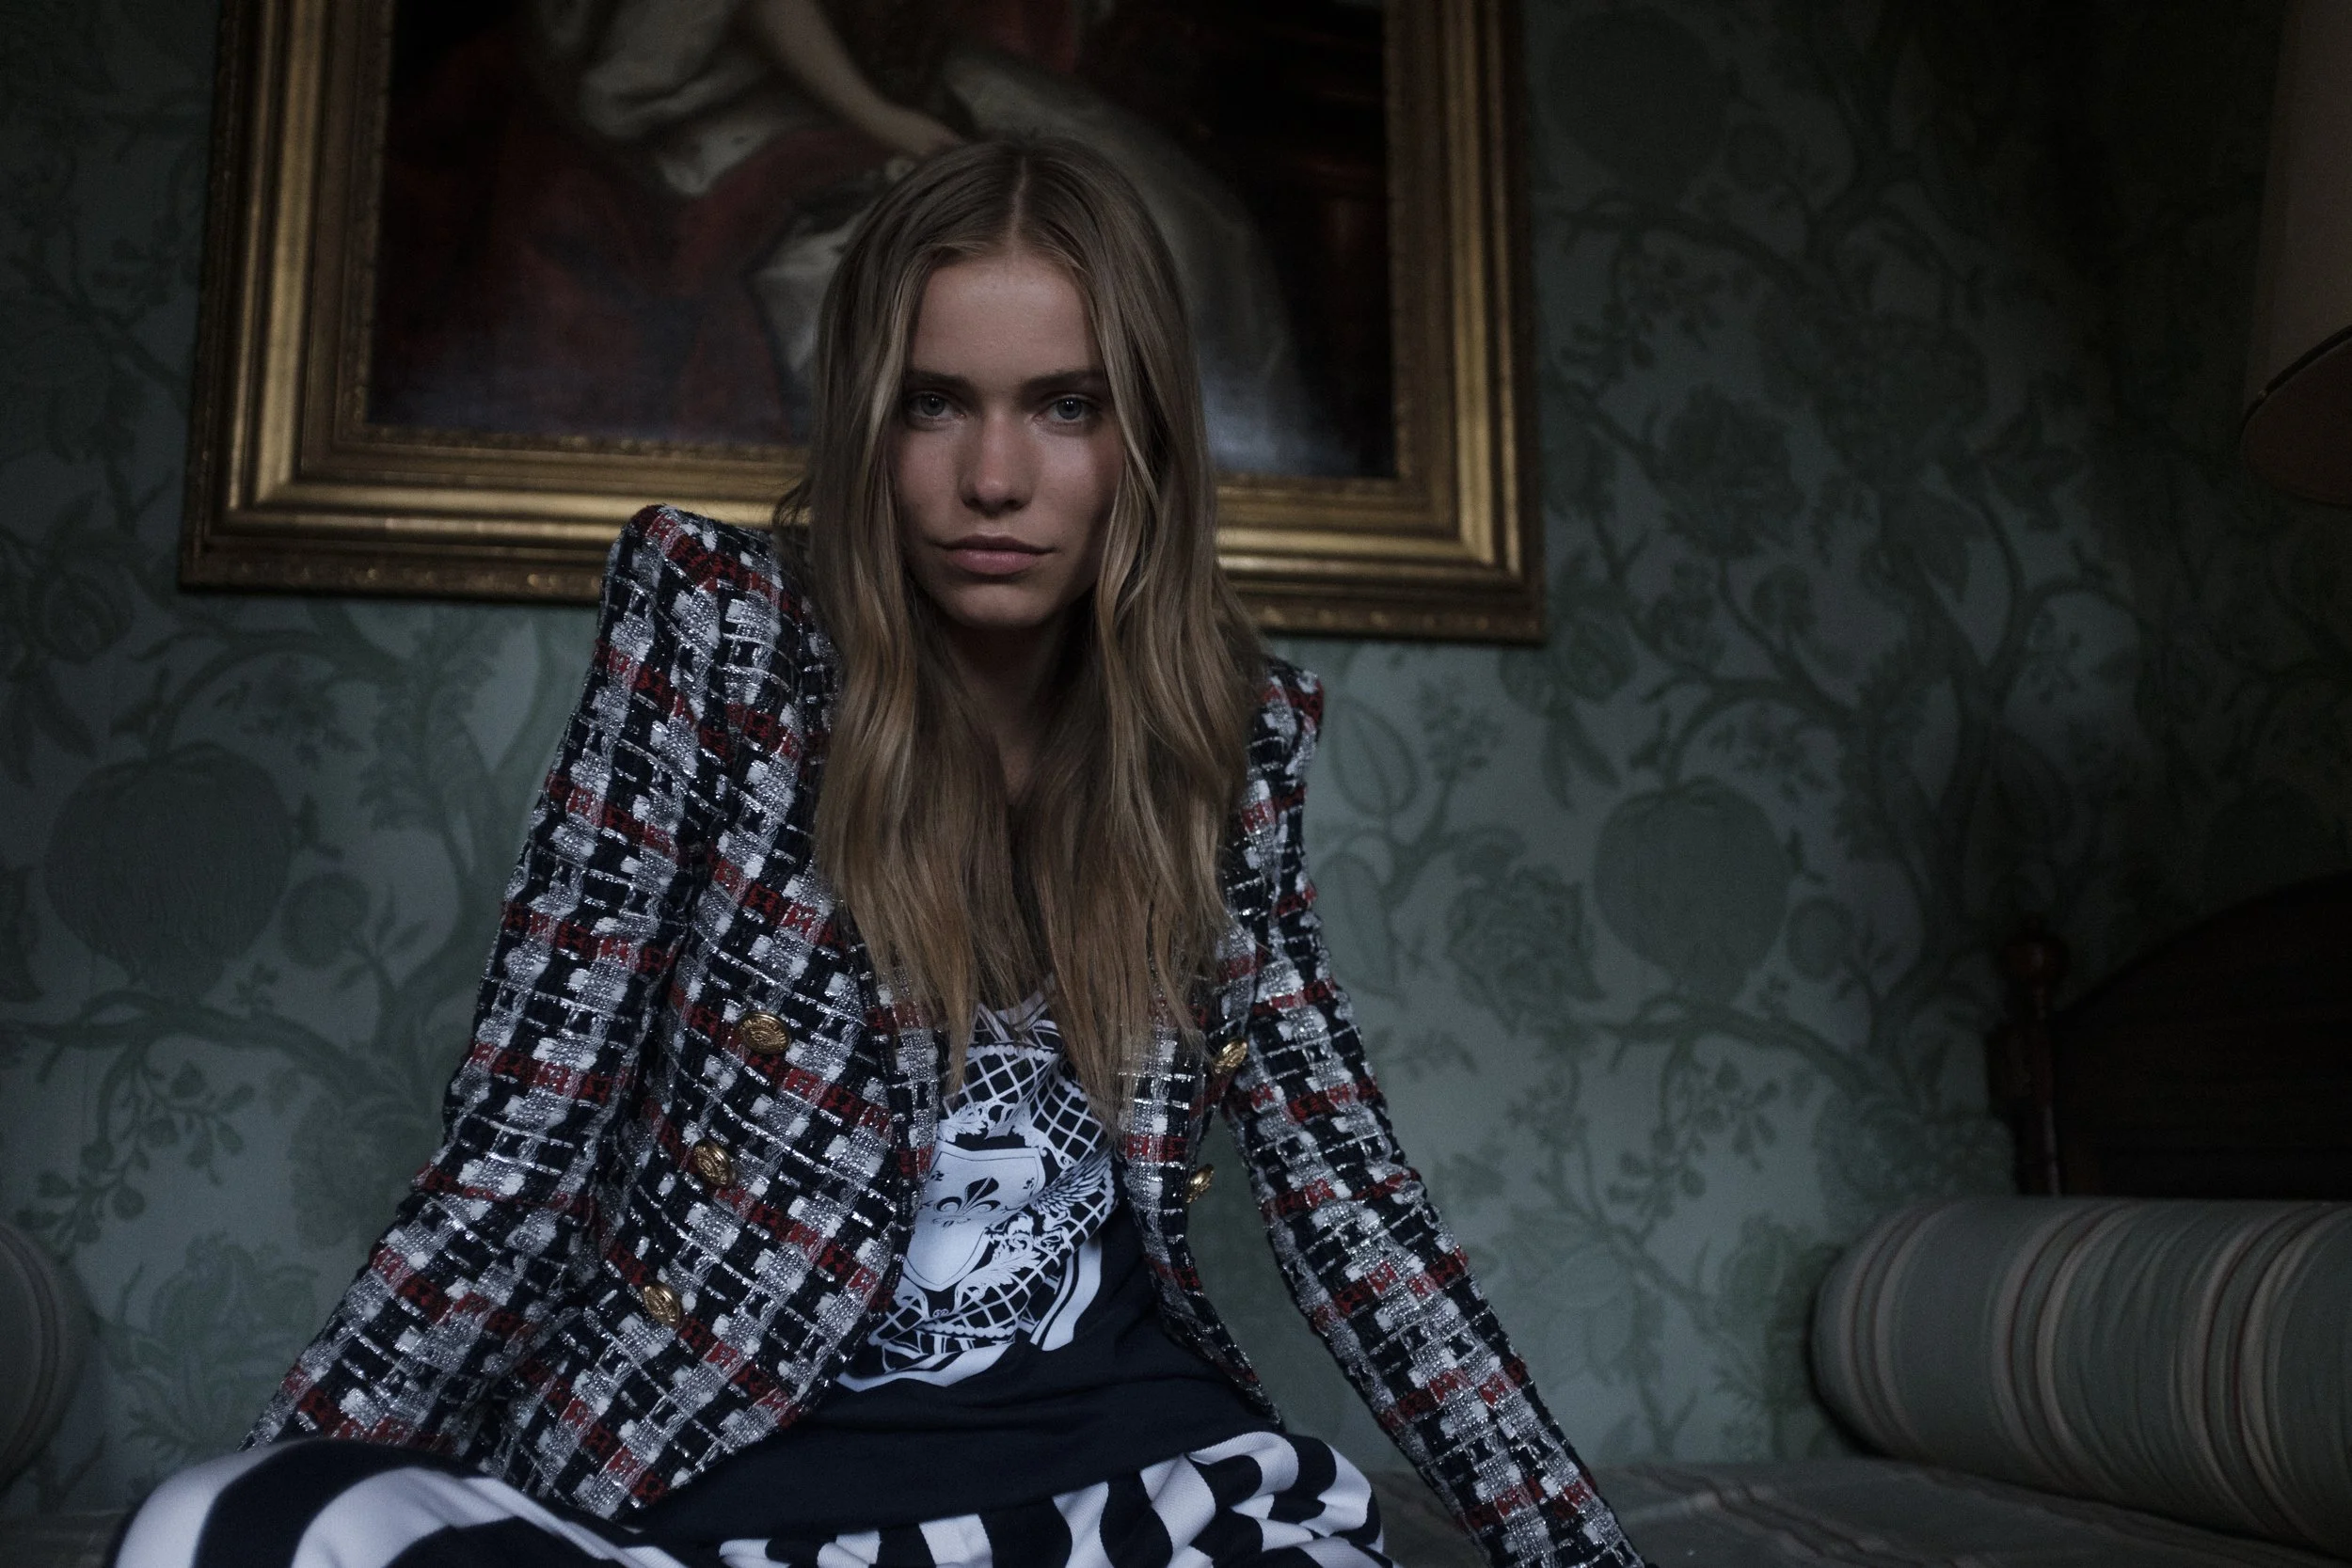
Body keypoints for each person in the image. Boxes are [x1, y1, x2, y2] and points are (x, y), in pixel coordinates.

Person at [113, 141, 1643, 1568]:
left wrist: (1577, 1551)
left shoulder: (1220, 747)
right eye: (934, 402)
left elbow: (1349, 1201)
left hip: (1135, 1487)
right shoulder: (718, 644)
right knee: (209, 1523)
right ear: (866, 416)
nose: (993, 476)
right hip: (733, 1487)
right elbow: (520, 1147)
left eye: (1065, 405)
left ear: (1145, 435)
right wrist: (292, 1463)